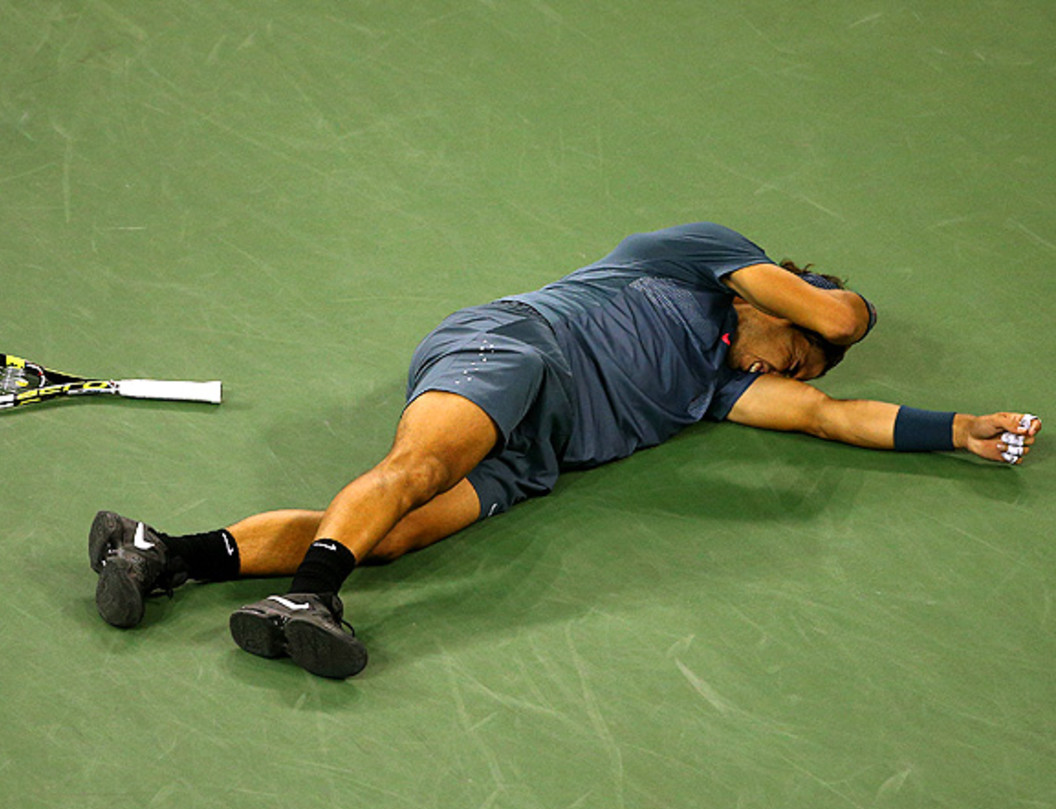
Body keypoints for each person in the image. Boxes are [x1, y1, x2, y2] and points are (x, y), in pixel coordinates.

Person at [87, 222, 1041, 679]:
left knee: (396, 532)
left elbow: (835, 418)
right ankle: (312, 596)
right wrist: (851, 314)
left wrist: (954, 430)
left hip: (534, 460)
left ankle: (161, 553)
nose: (793, 368)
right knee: (418, 466)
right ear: (765, 296)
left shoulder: (723, 383)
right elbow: (839, 315)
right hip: (518, 353)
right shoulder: (695, 254)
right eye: (791, 350)